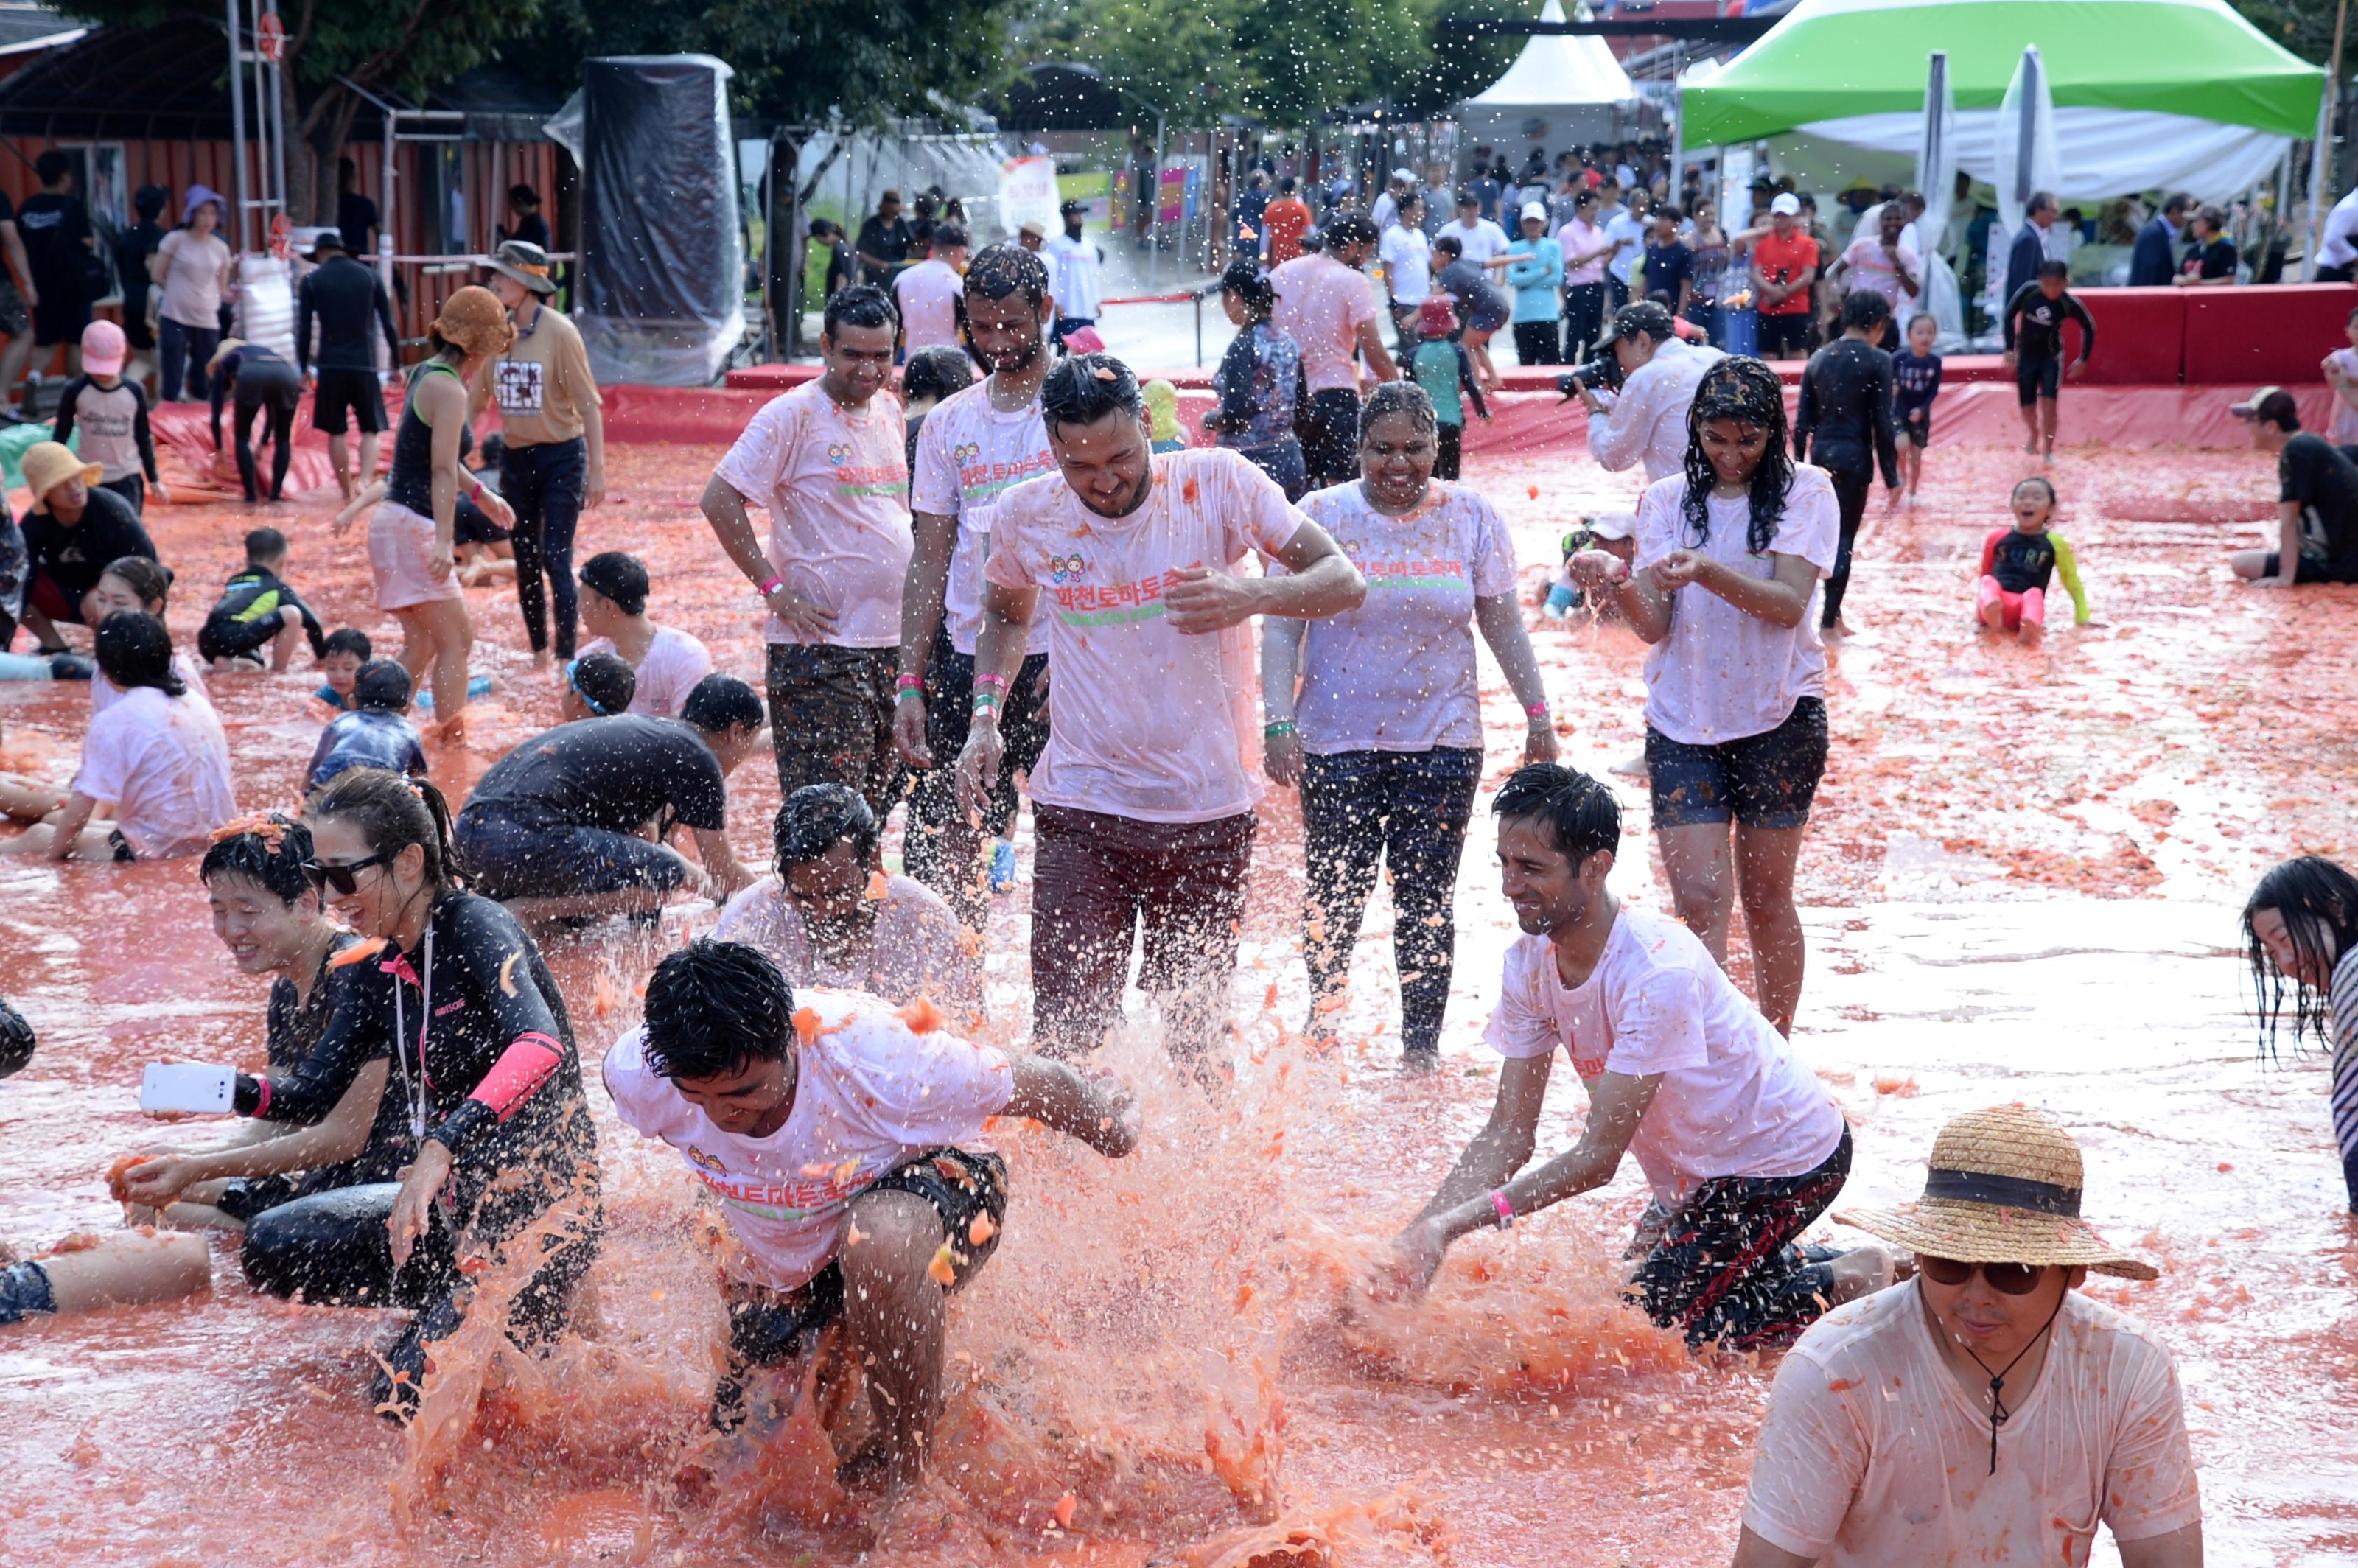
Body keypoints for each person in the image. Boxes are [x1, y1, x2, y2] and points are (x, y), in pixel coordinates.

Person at [956, 354, 1365, 1073]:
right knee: (1065, 1035)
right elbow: (1003, 612)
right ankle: (1074, 1185)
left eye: (1119, 457)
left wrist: (1251, 597)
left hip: (1204, 812)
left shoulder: (1217, 484)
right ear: (1049, 448)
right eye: (1079, 467)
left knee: (1194, 1038)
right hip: (1079, 805)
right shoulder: (1027, 514)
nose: (1105, 482)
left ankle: (1200, 1181)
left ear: (1148, 424)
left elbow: (1342, 580)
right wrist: (985, 713)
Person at [1382, 763, 1886, 1347]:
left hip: (1785, 1159)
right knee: (1641, 1300)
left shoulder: (1655, 970)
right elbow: (1507, 1135)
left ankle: (1853, 1278)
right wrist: (1414, 1240)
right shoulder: (1528, 965)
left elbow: (1598, 1159)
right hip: (1698, 1173)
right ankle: (1794, 1263)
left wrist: (1452, 1227)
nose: (1509, 886)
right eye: (1504, 863)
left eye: (1532, 868)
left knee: (1654, 1332)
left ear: (1595, 868)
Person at [604, 939, 1135, 1485]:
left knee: (878, 1240)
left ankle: (913, 1485)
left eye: (745, 1092)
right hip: (806, 1251)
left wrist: (1119, 1132)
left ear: (790, 1041)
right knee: (739, 1471)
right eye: (700, 1098)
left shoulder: (879, 1054)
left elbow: (1032, 1081)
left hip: (943, 1190)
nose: (723, 1115)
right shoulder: (641, 1075)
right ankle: (910, 1368)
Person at [227, 770, 603, 1419]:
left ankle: (524, 1308)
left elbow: (539, 1045)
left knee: (398, 1402)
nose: (328, 894)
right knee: (269, 1246)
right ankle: (453, 1304)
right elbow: (314, 1090)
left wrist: (440, 1148)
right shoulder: (379, 964)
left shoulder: (478, 927)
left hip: (536, 1211)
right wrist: (216, 1089)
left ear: (408, 862)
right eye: (319, 874)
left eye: (344, 876)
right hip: (449, 1210)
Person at [1733, 1105, 2200, 1568]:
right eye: (1949, 1263)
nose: (1975, 1296)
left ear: (2074, 1272)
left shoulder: (2128, 1370)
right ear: (1917, 1254)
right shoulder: (1835, 1370)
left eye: (2011, 1270)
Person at [1265, 381, 1554, 1065]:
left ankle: (1419, 1053)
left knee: (1426, 901)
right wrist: (1278, 723)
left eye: (1415, 448)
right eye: (1382, 449)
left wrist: (1537, 714)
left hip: (1445, 741)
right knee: (1335, 893)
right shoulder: (1318, 514)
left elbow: (1502, 621)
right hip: (1337, 741)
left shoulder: (1472, 516)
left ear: (1437, 445)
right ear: (1359, 448)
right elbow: (1281, 627)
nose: (1399, 465)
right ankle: (1323, 1027)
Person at [1564, 357, 1836, 1035]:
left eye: (1749, 440)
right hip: (1684, 723)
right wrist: (1619, 580)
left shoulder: (1809, 491)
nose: (1732, 454)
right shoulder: (1663, 501)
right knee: (1700, 900)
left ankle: (1774, 1051)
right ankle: (1712, 1053)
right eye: (1716, 438)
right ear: (1695, 430)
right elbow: (1656, 624)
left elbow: (1788, 605)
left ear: (1776, 431)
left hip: (1781, 718)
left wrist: (1709, 570)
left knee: (1769, 899)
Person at [114, 816, 388, 1233]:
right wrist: (189, 1159)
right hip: (320, 1173)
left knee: (161, 1198)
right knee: (143, 1190)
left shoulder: (355, 972)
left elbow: (345, 1137)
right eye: (220, 911)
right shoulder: (286, 989)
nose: (231, 930)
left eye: (248, 910)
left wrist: (199, 1167)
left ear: (307, 904)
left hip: (376, 1180)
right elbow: (278, 1120)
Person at [893, 247, 1056, 928]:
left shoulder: (1083, 400)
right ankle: (949, 1006)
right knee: (940, 847)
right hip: (967, 653)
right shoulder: (949, 424)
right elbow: (929, 557)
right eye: (982, 329)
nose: (997, 344)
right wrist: (910, 680)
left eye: (1013, 326)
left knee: (1075, 841)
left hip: (1065, 657)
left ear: (1046, 310)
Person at [703, 284, 912, 815]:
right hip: (820, 648)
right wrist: (775, 590)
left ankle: (863, 899)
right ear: (825, 346)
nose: (868, 370)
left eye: (881, 356)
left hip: (892, 646)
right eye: (854, 355)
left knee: (874, 810)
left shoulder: (889, 409)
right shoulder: (791, 415)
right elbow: (719, 497)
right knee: (823, 818)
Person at [452, 672, 762, 922]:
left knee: (593, 911)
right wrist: (781, 897)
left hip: (474, 838)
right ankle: (524, 912)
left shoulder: (657, 736)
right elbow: (724, 871)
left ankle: (525, 911)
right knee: (658, 881)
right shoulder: (698, 757)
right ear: (738, 732)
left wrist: (700, 884)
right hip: (522, 841)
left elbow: (645, 840)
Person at [347, 286, 514, 730]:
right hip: (412, 523)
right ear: (479, 347)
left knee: (421, 645)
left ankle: (377, 730)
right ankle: (451, 747)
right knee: (459, 638)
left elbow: (438, 460)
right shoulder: (450, 389)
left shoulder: (427, 372)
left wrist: (484, 495)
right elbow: (441, 469)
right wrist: (444, 541)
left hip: (394, 520)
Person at [713, 783, 980, 1020]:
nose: (819, 913)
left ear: (873, 860)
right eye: (802, 896)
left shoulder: (924, 918)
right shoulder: (750, 920)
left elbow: (969, 1039)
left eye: (835, 894)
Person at [0, 611, 234, 861]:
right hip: (215, 835)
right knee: (52, 821)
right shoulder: (193, 700)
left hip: (159, 846)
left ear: (105, 667)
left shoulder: (116, 720)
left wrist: (54, 861)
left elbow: (81, 811)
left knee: (40, 836)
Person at [473, 239, 608, 671]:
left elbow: (589, 404)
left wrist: (598, 471)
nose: (493, 281)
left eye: (501, 274)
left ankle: (567, 654)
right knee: (525, 559)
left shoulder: (561, 332)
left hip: (562, 459)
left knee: (555, 558)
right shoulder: (499, 334)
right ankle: (539, 655)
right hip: (515, 460)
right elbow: (474, 401)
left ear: (527, 283)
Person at [2243, 855, 2358, 1211]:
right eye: (2273, 952)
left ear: (2336, 910)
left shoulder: (2353, 971)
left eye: (2283, 938)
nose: (2286, 963)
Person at [1792, 290, 1900, 637]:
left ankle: (1822, 616)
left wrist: (1796, 469)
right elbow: (1882, 424)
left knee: (1820, 536)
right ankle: (1828, 622)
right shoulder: (1879, 360)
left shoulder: (1819, 358)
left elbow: (1802, 423)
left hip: (1821, 457)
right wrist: (1892, 475)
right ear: (1879, 324)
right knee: (1844, 539)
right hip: (1854, 460)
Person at [1273, 211, 1399, 489]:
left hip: (1288, 398)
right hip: (1336, 397)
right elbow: (1375, 352)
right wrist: (1401, 392)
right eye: (1366, 252)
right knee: (1341, 491)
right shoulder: (1353, 281)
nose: (1365, 261)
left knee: (1296, 491)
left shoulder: (1281, 274)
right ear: (1353, 247)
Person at [15, 441, 155, 654]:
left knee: (95, 602)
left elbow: (149, 566)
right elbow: (21, 579)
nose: (74, 487)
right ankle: (54, 647)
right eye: (62, 483)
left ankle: (117, 650)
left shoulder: (113, 510)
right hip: (63, 594)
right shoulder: (33, 525)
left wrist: (151, 626)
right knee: (9, 589)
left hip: (108, 595)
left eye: (75, 477)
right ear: (46, 494)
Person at [295, 230, 400, 502]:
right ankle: (365, 481)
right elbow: (388, 323)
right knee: (371, 428)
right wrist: (397, 363)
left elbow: (304, 328)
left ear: (319, 254)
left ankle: (345, 490)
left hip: (330, 365)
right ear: (342, 250)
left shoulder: (313, 280)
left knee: (336, 430)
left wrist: (302, 366)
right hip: (364, 365)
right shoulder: (369, 276)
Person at [1578, 299, 1725, 486]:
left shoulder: (1646, 378)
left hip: (1683, 501)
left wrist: (1596, 412)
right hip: (1736, 495)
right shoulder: (1717, 357)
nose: (1619, 363)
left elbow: (1613, 457)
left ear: (1643, 341)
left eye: (1618, 351)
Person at [2229, 385, 2358, 588]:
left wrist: (2285, 577)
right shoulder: (2311, 445)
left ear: (2271, 426)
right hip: (2347, 555)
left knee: (2242, 564)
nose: (2245, 427)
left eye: (2249, 421)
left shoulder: (2296, 451)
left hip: (2340, 565)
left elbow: (2288, 518)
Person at [1206, 259, 1309, 500]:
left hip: (1248, 467)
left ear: (1233, 296)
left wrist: (1209, 420)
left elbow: (1235, 413)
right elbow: (1301, 405)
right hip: (1287, 459)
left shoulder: (1243, 346)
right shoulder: (1288, 342)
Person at [573, 550, 714, 717]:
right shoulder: (587, 660)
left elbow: (691, 734)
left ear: (607, 606)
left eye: (583, 600)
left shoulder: (686, 656)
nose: (578, 608)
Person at [50, 321, 165, 515]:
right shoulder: (75, 390)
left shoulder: (134, 391)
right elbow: (61, 433)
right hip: (89, 477)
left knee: (126, 536)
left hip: (126, 477)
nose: (102, 374)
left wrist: (154, 479)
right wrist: (54, 475)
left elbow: (143, 436)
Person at [1976, 476, 2089, 645]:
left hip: (2024, 608)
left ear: (2050, 509)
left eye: (2037, 498)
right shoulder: (1997, 537)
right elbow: (1985, 575)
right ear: (2012, 505)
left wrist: (2082, 617)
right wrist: (1977, 613)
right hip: (1995, 603)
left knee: (2034, 594)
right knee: (1988, 582)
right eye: (2021, 497)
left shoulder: (2056, 544)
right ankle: (1993, 616)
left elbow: (2071, 581)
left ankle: (2028, 628)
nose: (2028, 502)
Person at [2001, 260, 2095, 463]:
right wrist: (2009, 348)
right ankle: (2034, 432)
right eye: (2046, 284)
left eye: (2056, 285)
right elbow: (2008, 315)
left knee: (2049, 404)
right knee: (2027, 407)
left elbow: (2089, 326)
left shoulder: (2067, 303)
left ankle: (2048, 451)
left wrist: (2083, 358)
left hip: (2050, 357)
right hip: (2026, 356)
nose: (2051, 290)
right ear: (2039, 281)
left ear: (2066, 283)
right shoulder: (2029, 292)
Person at [16, 150, 97, 386]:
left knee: (45, 341)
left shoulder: (27, 208)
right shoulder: (71, 206)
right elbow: (88, 242)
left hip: (41, 285)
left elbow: (18, 244)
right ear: (64, 176)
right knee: (75, 340)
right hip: (72, 285)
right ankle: (74, 388)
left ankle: (34, 377)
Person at [197, 526, 325, 672]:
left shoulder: (235, 580)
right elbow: (313, 623)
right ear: (281, 562)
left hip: (206, 641)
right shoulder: (276, 586)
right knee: (292, 614)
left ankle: (230, 663)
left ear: (247, 561)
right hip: (232, 637)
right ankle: (278, 671)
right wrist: (322, 657)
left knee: (257, 664)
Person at [152, 186, 231, 403]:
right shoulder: (175, 240)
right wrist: (178, 291)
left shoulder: (220, 248)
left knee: (204, 374)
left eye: (212, 214)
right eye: (203, 213)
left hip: (206, 317)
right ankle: (168, 415)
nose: (207, 219)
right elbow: (157, 274)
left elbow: (222, 287)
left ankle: (201, 419)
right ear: (192, 214)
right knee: (173, 371)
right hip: (175, 314)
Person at [305, 659, 428, 791]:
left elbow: (310, 778)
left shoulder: (340, 723)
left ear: (352, 702)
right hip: (383, 789)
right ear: (406, 709)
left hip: (335, 785)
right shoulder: (408, 732)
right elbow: (423, 786)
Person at [206, 339, 302, 504]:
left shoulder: (226, 362)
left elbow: (216, 413)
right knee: (283, 438)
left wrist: (219, 448)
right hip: (287, 373)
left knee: (242, 437)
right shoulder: (263, 352)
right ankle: (276, 495)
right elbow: (272, 412)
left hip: (252, 375)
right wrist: (264, 442)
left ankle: (251, 496)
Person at [1405, 297, 1489, 480]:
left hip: (1424, 424)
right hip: (1451, 420)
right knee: (1452, 476)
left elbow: (1408, 394)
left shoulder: (1413, 355)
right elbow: (1471, 386)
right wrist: (1483, 413)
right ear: (1450, 324)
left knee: (1429, 476)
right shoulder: (1457, 352)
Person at [1826, 203, 1920, 345]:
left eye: (1897, 218)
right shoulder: (1863, 246)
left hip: (1885, 321)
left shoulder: (1908, 256)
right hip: (1856, 318)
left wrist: (1897, 264)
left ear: (1905, 222)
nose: (1892, 223)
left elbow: (1914, 292)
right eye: (1888, 219)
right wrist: (1834, 292)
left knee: (1886, 363)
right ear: (1880, 222)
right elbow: (1833, 272)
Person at [112, 184, 169, 393]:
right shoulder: (166, 239)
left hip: (133, 303)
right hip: (159, 305)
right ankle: (162, 411)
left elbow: (120, 271)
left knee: (142, 359)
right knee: (167, 361)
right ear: (161, 210)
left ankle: (123, 394)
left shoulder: (125, 237)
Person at [1747, 195, 1819, 360]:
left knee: (1798, 351)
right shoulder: (1764, 243)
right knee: (1768, 353)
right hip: (1768, 307)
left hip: (1796, 307)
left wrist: (1783, 292)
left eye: (1785, 215)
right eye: (1778, 215)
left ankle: (1800, 385)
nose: (1781, 219)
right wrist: (1772, 290)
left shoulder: (1807, 243)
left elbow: (1808, 276)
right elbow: (1756, 273)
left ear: (1795, 216)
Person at [1890, 312, 1942, 502]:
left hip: (1920, 414)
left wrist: (1922, 409)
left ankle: (1913, 489)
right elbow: (1887, 381)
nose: (1925, 337)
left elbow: (1933, 391)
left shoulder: (1935, 363)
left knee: (1917, 455)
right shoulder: (1898, 359)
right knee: (1900, 446)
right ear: (1909, 335)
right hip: (1900, 411)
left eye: (1930, 333)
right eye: (1920, 332)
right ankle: (1901, 473)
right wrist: (1892, 389)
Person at [1556, 187, 1612, 362]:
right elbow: (1572, 262)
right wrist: (1598, 252)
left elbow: (1602, 262)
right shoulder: (1568, 231)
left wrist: (1613, 251)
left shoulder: (1597, 231)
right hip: (1578, 287)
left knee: (1594, 334)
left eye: (1597, 209)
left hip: (1596, 285)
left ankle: (1589, 371)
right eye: (1592, 208)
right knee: (1574, 334)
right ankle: (1569, 372)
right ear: (1580, 208)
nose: (1595, 213)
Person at [894, 223, 968, 355]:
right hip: (949, 364)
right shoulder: (958, 286)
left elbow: (893, 333)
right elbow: (971, 337)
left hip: (913, 364)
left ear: (932, 247)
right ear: (960, 252)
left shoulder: (902, 279)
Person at [1379, 193, 1433, 354]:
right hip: (1404, 301)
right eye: (1420, 209)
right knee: (1410, 350)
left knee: (1423, 349)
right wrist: (1394, 299)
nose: (1423, 213)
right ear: (1408, 211)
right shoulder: (1392, 236)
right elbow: (1387, 270)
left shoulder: (1420, 235)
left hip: (1422, 301)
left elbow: (1427, 266)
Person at [1046, 199, 1104, 343]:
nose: (1080, 218)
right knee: (1065, 350)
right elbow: (1053, 277)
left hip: (1086, 309)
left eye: (1081, 214)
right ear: (1066, 218)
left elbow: (1094, 276)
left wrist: (1096, 301)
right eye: (1075, 214)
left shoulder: (1089, 246)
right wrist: (1057, 303)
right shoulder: (1056, 245)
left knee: (1088, 351)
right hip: (1068, 309)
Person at [2001, 192, 2060, 316]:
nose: (2055, 217)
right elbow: (2022, 283)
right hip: (2027, 314)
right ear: (2039, 210)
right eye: (2053, 211)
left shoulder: (2037, 238)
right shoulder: (2028, 239)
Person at [1682, 200, 1731, 346]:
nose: (1709, 218)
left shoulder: (1723, 234)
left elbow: (1728, 261)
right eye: (1705, 214)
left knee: (1719, 343)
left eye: (1712, 214)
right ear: (1695, 216)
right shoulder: (1689, 239)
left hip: (1718, 299)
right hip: (1695, 300)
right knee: (1693, 343)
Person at [1601, 186, 1650, 312]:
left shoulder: (1651, 224)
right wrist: (1620, 243)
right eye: (1640, 205)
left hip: (1642, 276)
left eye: (1646, 205)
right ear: (1631, 205)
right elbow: (1605, 248)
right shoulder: (1617, 223)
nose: (1643, 209)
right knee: (1621, 312)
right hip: (1620, 274)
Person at [2128, 192, 2191, 287]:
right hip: (2148, 297)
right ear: (2175, 211)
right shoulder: (2155, 233)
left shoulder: (2158, 230)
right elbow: (2148, 272)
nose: (2188, 219)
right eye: (2187, 213)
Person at [1642, 205, 1693, 318]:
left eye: (1664, 219)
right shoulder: (1652, 249)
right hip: (1651, 309)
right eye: (1658, 219)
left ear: (1676, 224)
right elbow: (1646, 279)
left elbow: (1686, 286)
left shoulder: (1683, 252)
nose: (1659, 223)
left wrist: (1680, 315)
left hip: (1671, 310)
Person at [855, 190, 912, 285]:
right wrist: (879, 264)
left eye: (897, 212)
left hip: (897, 274)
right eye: (894, 212)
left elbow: (912, 244)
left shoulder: (901, 224)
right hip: (875, 275)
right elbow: (860, 252)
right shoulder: (871, 225)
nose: (896, 215)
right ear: (886, 210)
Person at [2172, 205, 2237, 287]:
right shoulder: (2194, 249)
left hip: (2212, 299)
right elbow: (2177, 276)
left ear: (2209, 223)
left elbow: (2229, 281)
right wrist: (2183, 280)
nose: (2192, 225)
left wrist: (2198, 284)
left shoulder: (2227, 248)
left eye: (2196, 221)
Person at [312, 626, 371, 712]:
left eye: (348, 669)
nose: (339, 675)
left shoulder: (375, 696)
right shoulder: (328, 694)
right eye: (331, 668)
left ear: (367, 667)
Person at [2326, 306, 2358, 446]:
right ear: (2347, 331)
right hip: (2343, 430)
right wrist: (2332, 367)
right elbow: (2331, 371)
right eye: (2357, 327)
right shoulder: (2340, 356)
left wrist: (2346, 381)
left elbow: (2340, 380)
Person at [1262, 176, 1312, 267]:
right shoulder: (1301, 208)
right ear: (1294, 190)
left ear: (1280, 191)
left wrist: (1263, 257)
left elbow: (1265, 237)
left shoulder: (1271, 208)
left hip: (1278, 257)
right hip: (1298, 257)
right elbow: (1311, 231)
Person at [335, 158, 379, 259]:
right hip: (339, 260)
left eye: (350, 176)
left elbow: (380, 234)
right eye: (344, 176)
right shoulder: (329, 207)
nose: (348, 179)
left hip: (360, 259)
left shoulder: (364, 204)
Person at [505, 183, 551, 251]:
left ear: (521, 202)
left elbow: (521, 245)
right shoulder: (531, 221)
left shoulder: (533, 224)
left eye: (513, 203)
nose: (512, 208)